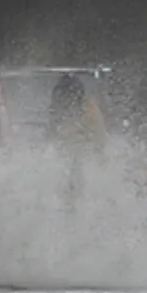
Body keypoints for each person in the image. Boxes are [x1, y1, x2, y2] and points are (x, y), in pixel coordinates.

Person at [46, 74, 108, 205]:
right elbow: (51, 136)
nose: (61, 100)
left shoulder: (90, 110)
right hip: (67, 160)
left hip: (85, 160)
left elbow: (98, 141)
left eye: (64, 97)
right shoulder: (58, 109)